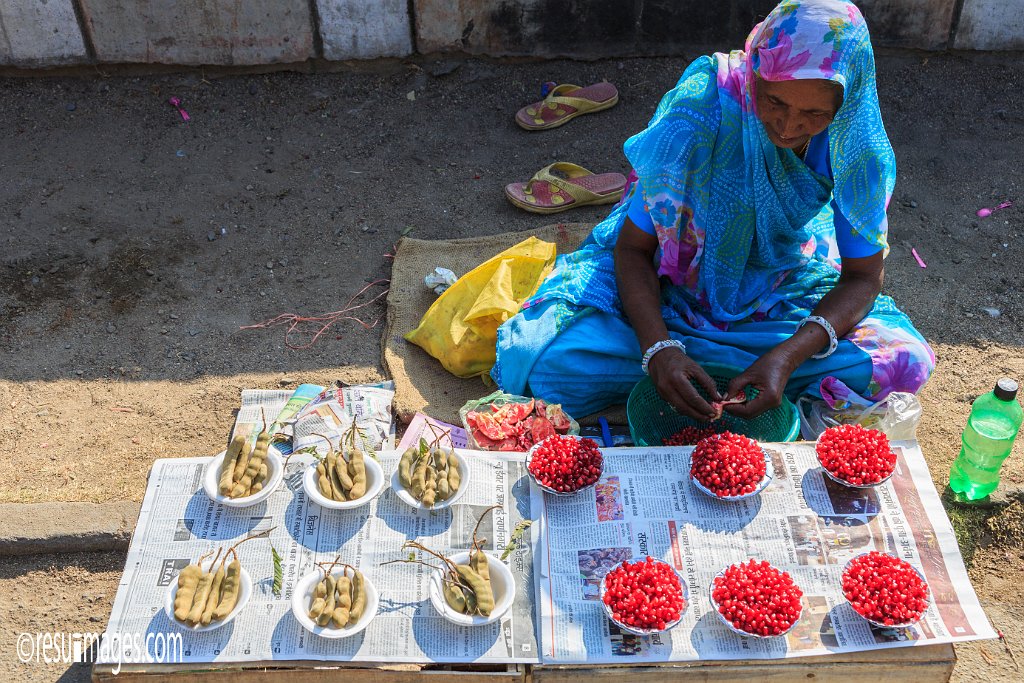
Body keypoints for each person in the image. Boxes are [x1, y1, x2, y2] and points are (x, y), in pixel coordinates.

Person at [492, 0, 934, 421]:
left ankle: (737, 371)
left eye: (814, 114)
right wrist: (658, 350)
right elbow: (632, 251)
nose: (788, 125)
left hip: (776, 283)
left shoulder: (856, 147)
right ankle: (699, 370)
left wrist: (786, 357)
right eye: (774, 101)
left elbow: (862, 276)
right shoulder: (704, 106)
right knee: (544, 362)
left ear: (844, 104)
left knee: (904, 361)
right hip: (671, 284)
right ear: (756, 72)